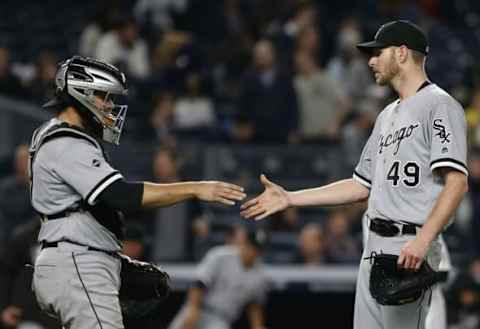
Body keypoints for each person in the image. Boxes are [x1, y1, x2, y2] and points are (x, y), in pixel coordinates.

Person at [241, 20, 468, 329]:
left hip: (409, 247)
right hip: (373, 247)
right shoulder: (387, 115)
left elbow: (457, 183)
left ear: (402, 53)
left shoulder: (439, 105)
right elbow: (361, 185)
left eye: (378, 53)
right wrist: (291, 198)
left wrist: (424, 240)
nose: (371, 61)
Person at [29, 56, 246, 329]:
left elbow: (86, 210)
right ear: (81, 94)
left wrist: (114, 262)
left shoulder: (53, 135)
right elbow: (122, 195)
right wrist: (196, 187)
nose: (109, 106)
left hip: (73, 258)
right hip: (77, 262)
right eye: (104, 97)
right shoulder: (67, 142)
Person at [168, 226, 269, 329]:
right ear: (244, 243)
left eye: (258, 249)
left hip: (221, 319)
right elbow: (199, 282)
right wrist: (192, 309)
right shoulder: (220, 255)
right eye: (251, 246)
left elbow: (254, 303)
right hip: (199, 308)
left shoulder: (260, 274)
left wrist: (257, 326)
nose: (253, 251)